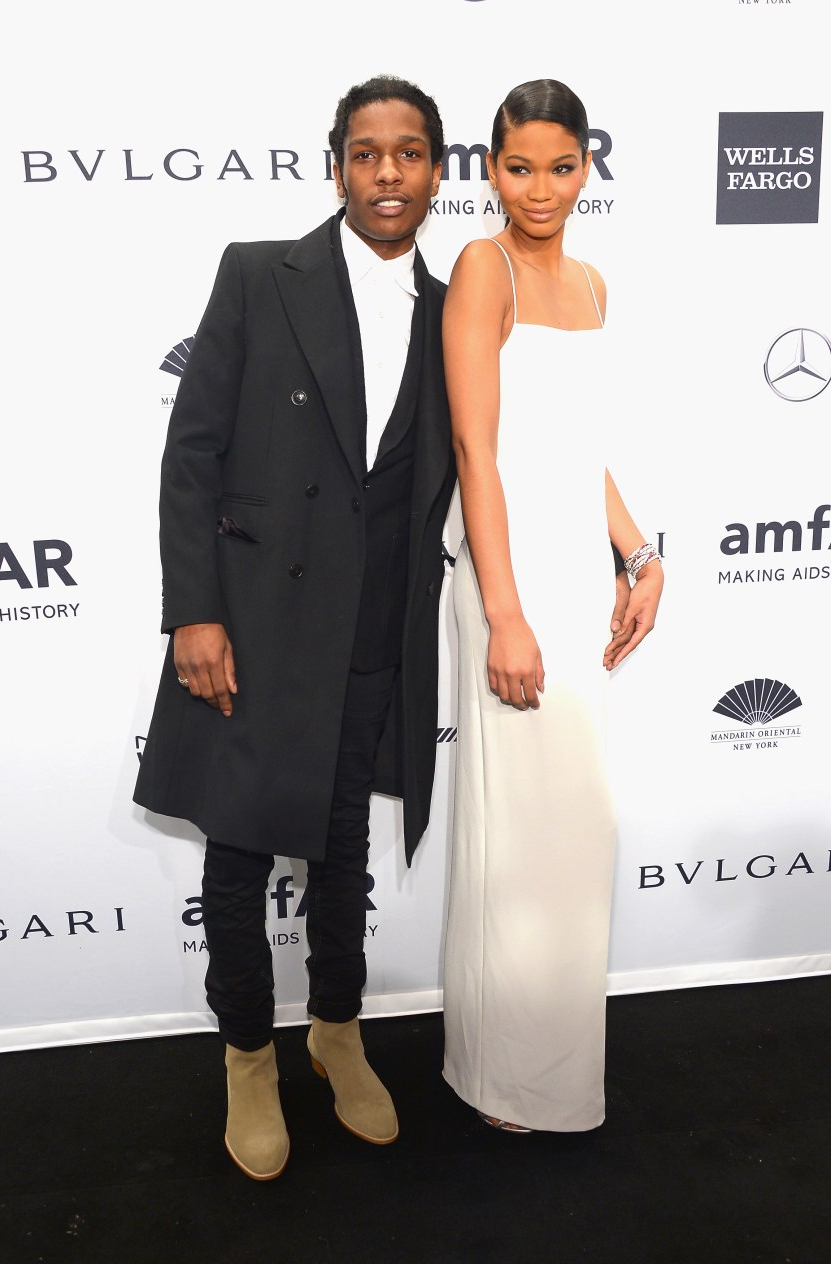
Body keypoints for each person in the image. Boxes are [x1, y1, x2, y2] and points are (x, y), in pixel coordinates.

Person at [134, 76, 456, 1180]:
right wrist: (195, 611)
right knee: (238, 851)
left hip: (372, 626)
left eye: (408, 152)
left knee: (343, 844)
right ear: (336, 166)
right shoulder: (258, 274)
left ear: (436, 171)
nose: (387, 173)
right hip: (257, 621)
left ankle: (336, 1030)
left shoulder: (453, 307)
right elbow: (192, 453)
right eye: (366, 152)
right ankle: (247, 1056)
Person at [441, 79, 663, 1134]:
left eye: (561, 166)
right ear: (491, 170)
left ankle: (552, 1069)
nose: (540, 188)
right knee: (518, 831)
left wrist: (638, 553)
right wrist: (505, 612)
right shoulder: (482, 269)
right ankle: (502, 1076)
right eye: (519, 167)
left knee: (576, 825)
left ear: (587, 167)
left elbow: (579, 448)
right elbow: (474, 448)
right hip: (509, 575)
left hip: (576, 570)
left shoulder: (593, 281)